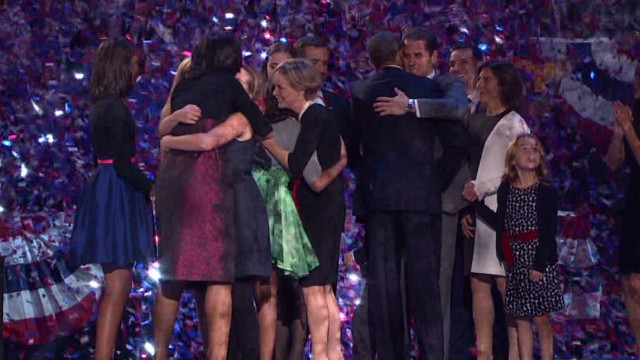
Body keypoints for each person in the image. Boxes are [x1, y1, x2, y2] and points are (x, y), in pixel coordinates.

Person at [153, 32, 272, 360]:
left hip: (174, 180)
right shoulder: (230, 90)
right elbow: (260, 126)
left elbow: (164, 127)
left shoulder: (185, 85)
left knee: (173, 274)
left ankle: (160, 353)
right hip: (208, 182)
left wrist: (169, 138)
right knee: (218, 275)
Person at [351, 31, 467, 360]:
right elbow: (457, 146)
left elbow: (353, 146)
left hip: (382, 201)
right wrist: (431, 182)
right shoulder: (428, 88)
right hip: (418, 202)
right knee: (425, 290)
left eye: (419, 55)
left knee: (387, 290)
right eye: (410, 55)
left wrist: (370, 176)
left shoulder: (362, 91)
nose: (414, 61)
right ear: (401, 56)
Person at [69, 37, 155, 360]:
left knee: (118, 283)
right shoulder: (115, 108)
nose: (139, 72)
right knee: (118, 284)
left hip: (108, 188)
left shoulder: (102, 104)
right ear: (121, 67)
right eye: (136, 65)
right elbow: (122, 161)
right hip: (118, 190)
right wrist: (150, 188)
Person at [262, 58, 346, 360]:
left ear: (299, 88)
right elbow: (341, 156)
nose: (275, 94)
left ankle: (322, 353)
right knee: (323, 288)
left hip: (319, 210)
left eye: (281, 88)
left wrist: (268, 143)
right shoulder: (322, 115)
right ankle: (332, 352)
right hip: (327, 206)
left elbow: (296, 164)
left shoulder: (314, 116)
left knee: (314, 288)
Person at [473, 134, 563, 360]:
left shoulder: (545, 192)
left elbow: (547, 231)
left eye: (535, 149)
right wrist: (474, 205)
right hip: (516, 261)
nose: (531, 153)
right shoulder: (507, 189)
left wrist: (539, 265)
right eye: (525, 149)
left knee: (541, 318)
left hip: (538, 260)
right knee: (521, 318)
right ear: (513, 159)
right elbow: (502, 223)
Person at [461, 61, 530, 360]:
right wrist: (468, 206)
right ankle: (484, 352)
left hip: (503, 214)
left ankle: (516, 353)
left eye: (488, 79)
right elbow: (468, 166)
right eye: (480, 79)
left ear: (503, 84)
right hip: (477, 214)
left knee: (506, 286)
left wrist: (483, 186)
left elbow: (521, 168)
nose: (481, 84)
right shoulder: (473, 121)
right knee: (479, 283)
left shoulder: (515, 124)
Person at [606, 66, 640, 356]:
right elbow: (614, 163)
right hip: (634, 204)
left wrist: (628, 128)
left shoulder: (633, 122)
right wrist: (619, 133)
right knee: (630, 282)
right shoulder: (633, 114)